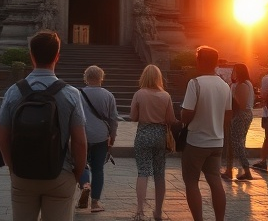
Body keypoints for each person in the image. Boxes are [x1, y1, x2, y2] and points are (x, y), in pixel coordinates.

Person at [0, 30, 87, 221]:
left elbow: (2, 136)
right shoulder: (71, 94)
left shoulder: (14, 91)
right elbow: (80, 142)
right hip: (59, 173)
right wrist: (78, 174)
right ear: (57, 56)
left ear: (31, 56)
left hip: (23, 174)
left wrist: (13, 168)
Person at [181, 46, 232, 221]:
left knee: (191, 181)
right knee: (215, 181)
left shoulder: (195, 83)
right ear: (216, 62)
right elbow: (228, 114)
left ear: (198, 61)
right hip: (217, 141)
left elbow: (186, 114)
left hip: (196, 140)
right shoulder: (225, 85)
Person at [130, 64, 178, 221]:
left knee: (143, 171)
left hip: (143, 134)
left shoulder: (139, 94)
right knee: (159, 173)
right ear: (159, 78)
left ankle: (139, 210)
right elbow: (171, 119)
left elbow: (133, 117)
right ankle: (158, 211)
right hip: (160, 135)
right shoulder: (165, 96)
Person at [76, 65, 119, 213]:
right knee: (98, 168)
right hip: (101, 136)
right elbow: (113, 119)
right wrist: (112, 137)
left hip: (82, 135)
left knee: (81, 164)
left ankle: (85, 185)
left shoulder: (78, 94)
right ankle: (95, 203)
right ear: (101, 77)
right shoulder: (108, 95)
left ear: (86, 78)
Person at [221, 63, 254, 181]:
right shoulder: (242, 84)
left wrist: (229, 96)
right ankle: (229, 170)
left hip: (241, 116)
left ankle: (247, 170)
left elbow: (242, 105)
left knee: (236, 143)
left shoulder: (242, 85)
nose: (232, 73)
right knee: (232, 142)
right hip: (241, 115)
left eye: (234, 71)